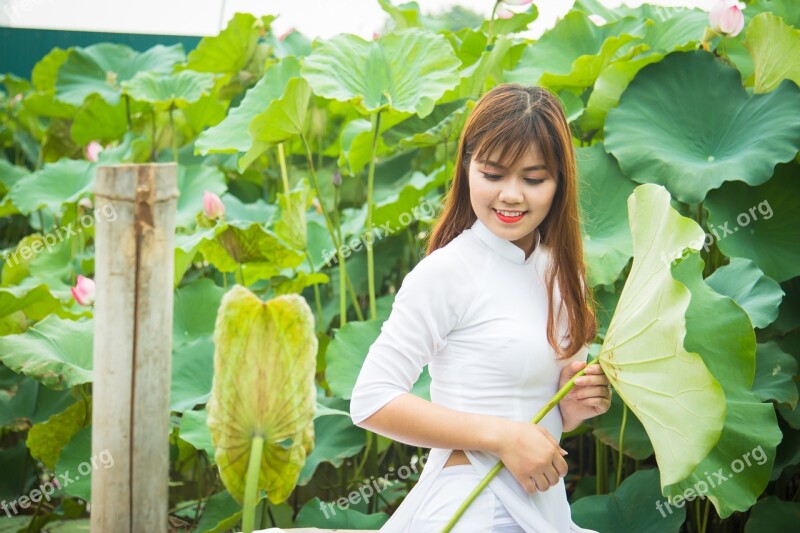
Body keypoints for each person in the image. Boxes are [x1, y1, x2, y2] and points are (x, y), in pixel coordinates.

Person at [349, 83, 612, 533]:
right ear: (467, 168)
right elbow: (371, 400)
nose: (511, 195)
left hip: (543, 506)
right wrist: (502, 436)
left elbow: (538, 409)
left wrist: (577, 403)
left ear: (560, 183)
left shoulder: (563, 273)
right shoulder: (447, 272)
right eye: (493, 174)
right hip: (473, 503)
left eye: (533, 179)